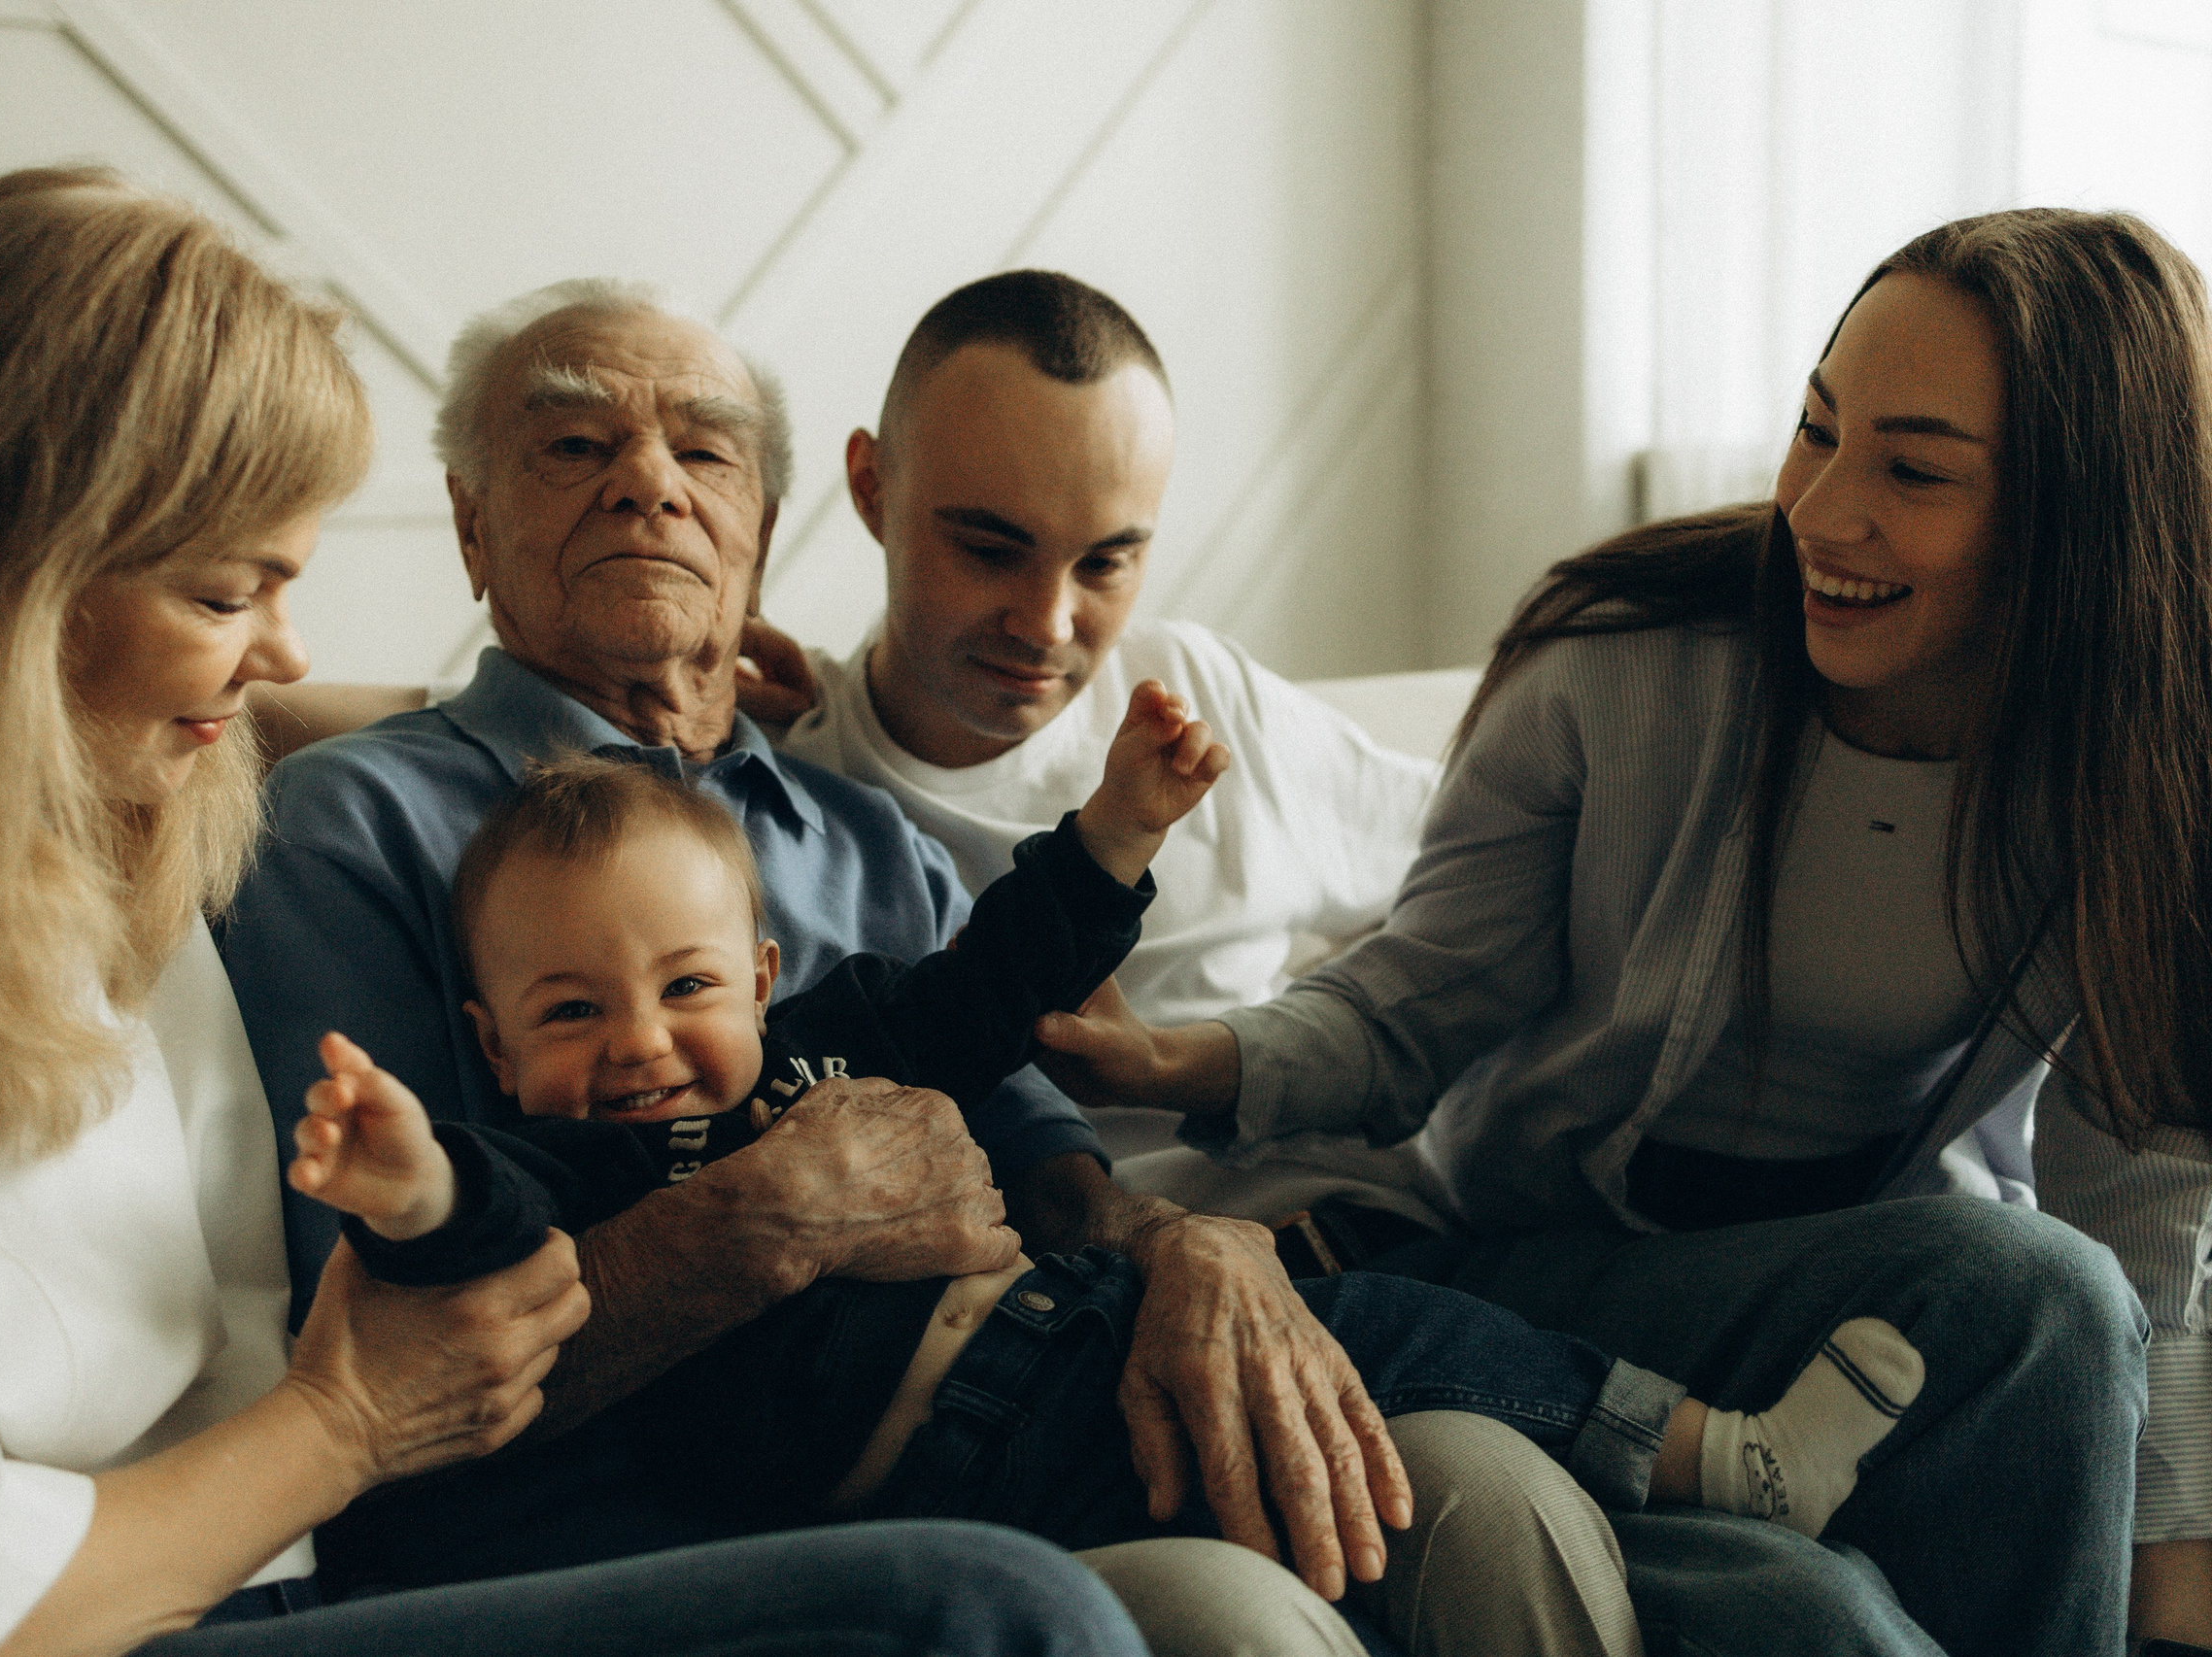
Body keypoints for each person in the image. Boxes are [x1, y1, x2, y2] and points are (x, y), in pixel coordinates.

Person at [0, 166, 1162, 1657]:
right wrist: (343, 1423)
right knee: (986, 1616)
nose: (281, 648)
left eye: (703, 460)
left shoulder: (108, 849)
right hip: (163, 1605)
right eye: (229, 593)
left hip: (323, 1561)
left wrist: (631, 685)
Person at [212, 274, 1533, 1626]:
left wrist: (1183, 1240)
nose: (648, 484)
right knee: (1227, 1614)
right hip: (617, 1531)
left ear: (765, 529)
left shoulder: (865, 835)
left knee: (1479, 1492)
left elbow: (1049, 1172)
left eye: (704, 451)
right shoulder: (351, 822)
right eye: (574, 444)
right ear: (471, 523)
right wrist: (764, 1215)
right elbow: (384, 1336)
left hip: (989, 1433)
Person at [1036, 207, 2211, 1656]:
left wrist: (2178, 1581)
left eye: (1913, 471)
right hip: (1522, 1261)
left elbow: (2143, 1214)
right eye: (1815, 427)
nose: (1823, 509)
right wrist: (1176, 1061)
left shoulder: (2149, 767)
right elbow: (1417, 1004)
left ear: (2078, 519)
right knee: (1955, 1409)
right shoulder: (1628, 662)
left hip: (1826, 1304)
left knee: (2005, 1351)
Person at [287, 741, 1931, 1579]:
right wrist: (412, 1174)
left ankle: (1714, 1453)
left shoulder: (837, 1038)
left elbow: (989, 988)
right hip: (930, 1463)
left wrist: (1119, 837)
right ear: (498, 1053)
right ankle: (1694, 1461)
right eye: (572, 1011)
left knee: (1381, 1330)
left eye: (688, 988)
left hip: (1060, 1330)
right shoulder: (562, 1168)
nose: (639, 1041)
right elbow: (484, 1244)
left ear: (767, 982)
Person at [741, 269, 1446, 1233]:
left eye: (1106, 561)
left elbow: (1488, 881)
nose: (1045, 622)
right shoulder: (784, 787)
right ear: (872, 489)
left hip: (1392, 1214)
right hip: (1114, 1291)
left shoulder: (1193, 687)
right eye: (989, 549)